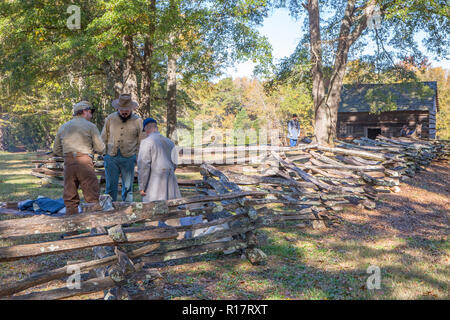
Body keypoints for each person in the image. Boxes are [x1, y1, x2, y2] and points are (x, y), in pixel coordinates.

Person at [53, 101, 105, 215]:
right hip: (85, 162)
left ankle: (72, 230)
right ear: (84, 111)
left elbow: (56, 149)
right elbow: (100, 148)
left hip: (69, 163)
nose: (91, 115)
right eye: (90, 112)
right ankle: (95, 228)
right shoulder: (91, 126)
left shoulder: (63, 126)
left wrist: (69, 156)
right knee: (92, 196)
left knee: (70, 197)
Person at [101, 94, 144, 202]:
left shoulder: (138, 121)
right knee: (110, 186)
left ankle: (127, 212)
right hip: (111, 157)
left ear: (131, 109)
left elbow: (142, 141)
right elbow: (103, 137)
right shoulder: (110, 118)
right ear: (117, 108)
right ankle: (109, 210)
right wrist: (104, 154)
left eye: (127, 110)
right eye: (122, 110)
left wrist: (137, 157)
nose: (124, 112)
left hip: (129, 157)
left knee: (128, 187)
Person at [137, 118, 181, 202]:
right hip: (170, 179)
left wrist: (142, 187)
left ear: (146, 128)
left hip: (155, 181)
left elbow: (143, 165)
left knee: (153, 208)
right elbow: (175, 163)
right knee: (172, 206)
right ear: (156, 128)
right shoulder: (170, 142)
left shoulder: (146, 142)